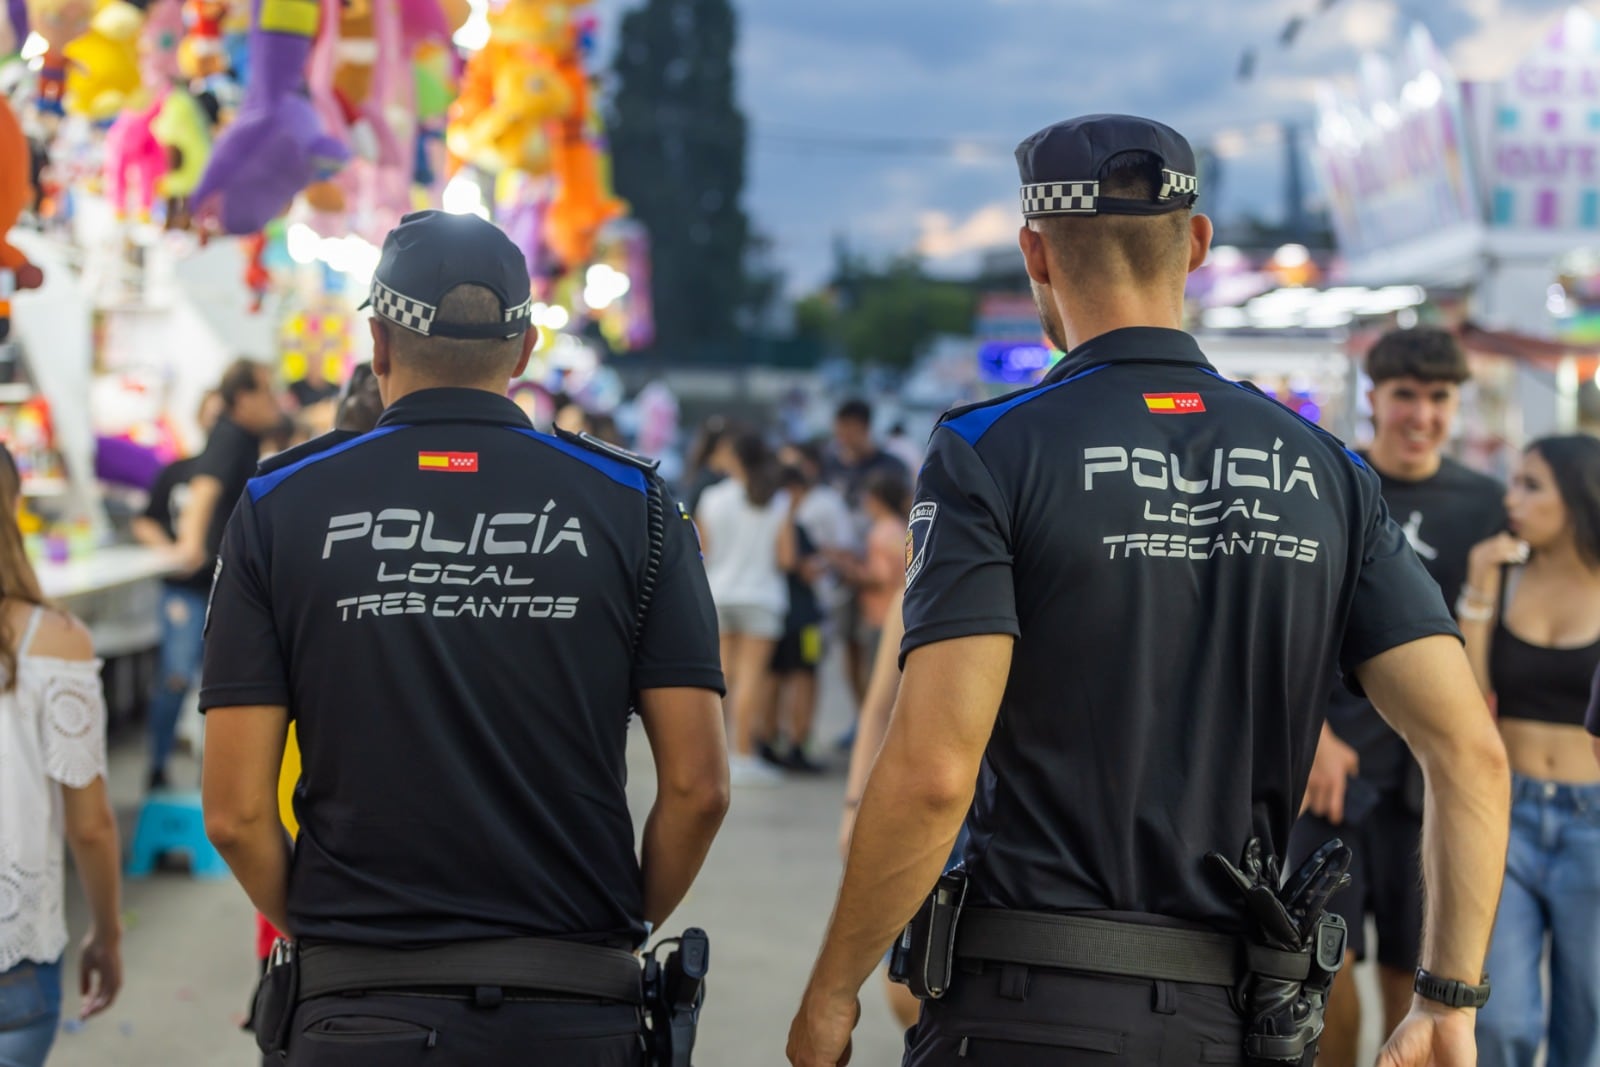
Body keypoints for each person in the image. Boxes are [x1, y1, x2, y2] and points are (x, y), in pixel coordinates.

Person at [787, 114, 1510, 1067]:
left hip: (1027, 1006)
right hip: (1231, 1018)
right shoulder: (1324, 470)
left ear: (1035, 254)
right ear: (1198, 244)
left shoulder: (990, 451)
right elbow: (1468, 753)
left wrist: (834, 988)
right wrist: (1448, 1000)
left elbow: (931, 770)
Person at [199, 210, 729, 1066]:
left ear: (377, 341)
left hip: (356, 1010)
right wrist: (609, 931)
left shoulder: (278, 506)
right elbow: (700, 787)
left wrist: (337, 933)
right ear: (522, 354)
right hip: (574, 1006)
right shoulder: (638, 506)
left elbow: (233, 811)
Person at [1288, 327, 1506, 1066]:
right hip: (1331, 776)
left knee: (1417, 974)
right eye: (1405, 395)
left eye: (1439, 397)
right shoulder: (1329, 484)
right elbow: (1285, 621)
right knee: (1322, 974)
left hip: (1429, 782)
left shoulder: (1487, 506)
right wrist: (1312, 730)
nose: (1421, 415)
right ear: (1373, 397)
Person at [1461, 436, 1600, 1067]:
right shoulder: (1503, 571)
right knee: (1501, 1020)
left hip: (1591, 822)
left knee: (1588, 1022)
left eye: (1531, 485)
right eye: (1512, 482)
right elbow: (1467, 697)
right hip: (1506, 816)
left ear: (1578, 496)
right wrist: (1479, 585)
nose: (1511, 499)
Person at [0, 444, 122, 1066]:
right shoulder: (54, 643)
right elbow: (91, 825)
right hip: (12, 960)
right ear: (13, 506)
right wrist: (108, 932)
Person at [144, 357, 282, 790]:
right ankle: (159, 766)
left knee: (212, 684)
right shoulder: (230, 434)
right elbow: (204, 491)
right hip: (190, 590)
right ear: (242, 398)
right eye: (266, 391)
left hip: (216, 588)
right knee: (180, 677)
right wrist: (188, 545)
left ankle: (210, 777)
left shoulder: (246, 438)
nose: (273, 401)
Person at [696, 426, 794, 787]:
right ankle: (743, 754)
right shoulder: (777, 499)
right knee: (751, 679)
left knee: (720, 675)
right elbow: (786, 558)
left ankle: (714, 755)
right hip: (763, 596)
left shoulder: (711, 497)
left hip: (719, 591)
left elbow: (703, 551)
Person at [823, 399, 910, 710]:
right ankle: (864, 715)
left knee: (880, 656)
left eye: (849, 430)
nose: (843, 437)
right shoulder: (830, 464)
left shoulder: (890, 467)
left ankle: (875, 718)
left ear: (864, 428)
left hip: (869, 577)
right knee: (851, 646)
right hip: (850, 575)